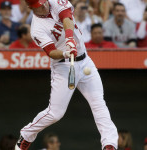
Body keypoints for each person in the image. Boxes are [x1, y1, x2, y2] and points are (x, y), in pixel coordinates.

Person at [15, 0, 118, 150]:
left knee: (99, 104)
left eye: (42, 1)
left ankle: (109, 144)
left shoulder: (55, 1)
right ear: (31, 7)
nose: (43, 5)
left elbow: (67, 17)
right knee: (55, 113)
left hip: (85, 61)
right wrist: (65, 52)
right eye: (38, 4)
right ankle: (26, 134)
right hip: (63, 65)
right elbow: (50, 52)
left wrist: (69, 38)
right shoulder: (36, 28)